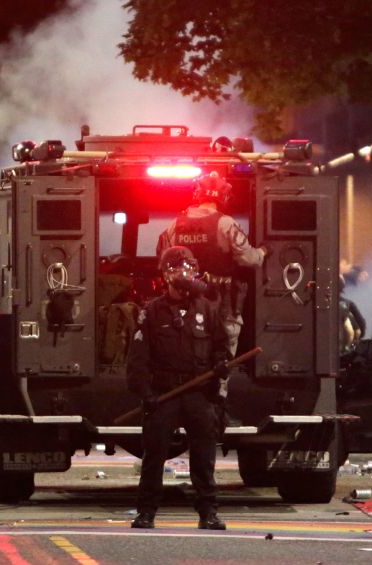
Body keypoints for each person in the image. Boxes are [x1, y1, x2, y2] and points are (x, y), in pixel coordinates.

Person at [127, 247, 231, 532]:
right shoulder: (151, 311)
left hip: (199, 392)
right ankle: (146, 513)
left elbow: (222, 347)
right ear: (165, 274)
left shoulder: (208, 309)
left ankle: (208, 513)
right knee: (154, 455)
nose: (183, 275)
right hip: (164, 393)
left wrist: (222, 366)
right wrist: (146, 394)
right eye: (176, 269)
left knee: (203, 456)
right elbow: (137, 360)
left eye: (188, 269)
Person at [156, 171, 266, 396]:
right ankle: (217, 406)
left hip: (183, 305)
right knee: (222, 357)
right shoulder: (226, 223)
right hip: (221, 303)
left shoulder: (175, 225)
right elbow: (249, 258)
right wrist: (264, 251)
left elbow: (162, 257)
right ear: (224, 197)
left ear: (198, 195)